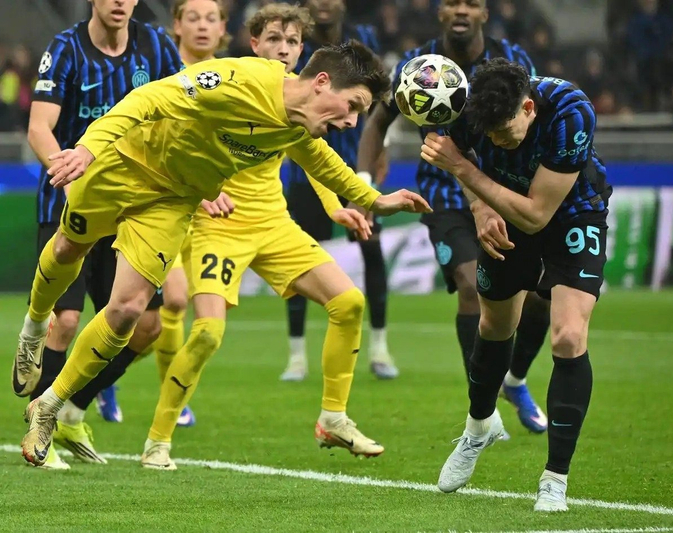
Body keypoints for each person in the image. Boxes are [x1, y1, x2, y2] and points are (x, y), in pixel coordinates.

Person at [16, 37, 431, 468]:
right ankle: (34, 327)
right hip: (124, 166)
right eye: (352, 106)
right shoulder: (237, 79)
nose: (351, 121)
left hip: (173, 202)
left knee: (127, 311)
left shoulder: (297, 126)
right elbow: (147, 98)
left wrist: (375, 200)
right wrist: (89, 147)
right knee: (68, 248)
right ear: (322, 82)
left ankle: (50, 405)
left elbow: (323, 163)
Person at [142, 2, 401, 470]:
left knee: (348, 302)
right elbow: (176, 134)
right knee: (206, 331)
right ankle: (158, 440)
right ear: (254, 43)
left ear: (303, 52)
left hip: (273, 222)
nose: (284, 50)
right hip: (217, 222)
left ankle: (334, 417)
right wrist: (199, 189)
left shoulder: (303, 100)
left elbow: (314, 157)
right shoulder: (230, 83)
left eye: (293, 42)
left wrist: (336, 206)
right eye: (275, 40)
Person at [422, 58, 611, 511]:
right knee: (494, 326)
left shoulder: (571, 112)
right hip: (504, 211)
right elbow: (460, 158)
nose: (496, 141)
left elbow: (536, 214)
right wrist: (480, 208)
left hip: (571, 214)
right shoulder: (469, 109)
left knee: (568, 337)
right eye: (488, 134)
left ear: (528, 107)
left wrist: (465, 170)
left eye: (505, 132)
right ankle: (479, 428)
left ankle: (555, 480)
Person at [357, 0, 551, 434]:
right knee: (471, 286)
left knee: (541, 296)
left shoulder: (514, 59)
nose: (461, 10)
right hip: (444, 194)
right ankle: (484, 408)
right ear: (440, 12)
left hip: (506, 190)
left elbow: (537, 119)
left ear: (485, 14)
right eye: (452, 2)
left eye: (472, 3)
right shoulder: (416, 64)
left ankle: (515, 381)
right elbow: (377, 122)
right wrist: (365, 186)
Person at [14, 0, 182, 469]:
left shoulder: (156, 47)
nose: (119, 2)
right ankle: (41, 423)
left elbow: (184, 113)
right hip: (70, 198)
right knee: (66, 320)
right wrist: (68, 176)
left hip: (134, 203)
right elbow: (39, 127)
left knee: (146, 325)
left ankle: (72, 407)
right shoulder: (66, 49)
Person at [282, 0, 398, 382]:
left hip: (355, 166)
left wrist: (379, 153)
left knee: (372, 252)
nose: (323, 3)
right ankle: (296, 356)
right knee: (300, 259)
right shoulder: (298, 46)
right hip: (305, 172)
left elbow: (380, 104)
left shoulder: (363, 41)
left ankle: (379, 349)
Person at [146, 0, 232, 429]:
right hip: (168, 201)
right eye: (192, 18)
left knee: (204, 318)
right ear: (176, 26)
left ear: (223, 29)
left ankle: (106, 371)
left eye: (211, 18)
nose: (202, 26)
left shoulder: (234, 78)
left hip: (214, 212)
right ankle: (171, 399)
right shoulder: (163, 72)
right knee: (175, 300)